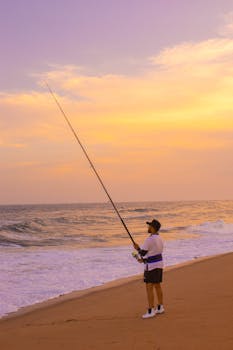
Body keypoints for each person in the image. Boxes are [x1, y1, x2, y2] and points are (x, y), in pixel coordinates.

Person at [133, 219, 164, 319]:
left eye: (149, 226)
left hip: (151, 267)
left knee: (149, 287)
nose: (148, 227)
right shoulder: (160, 238)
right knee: (157, 286)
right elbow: (154, 253)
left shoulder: (149, 239)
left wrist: (137, 248)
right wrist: (143, 260)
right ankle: (160, 307)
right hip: (159, 264)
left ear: (153, 228)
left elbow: (143, 253)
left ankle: (151, 310)